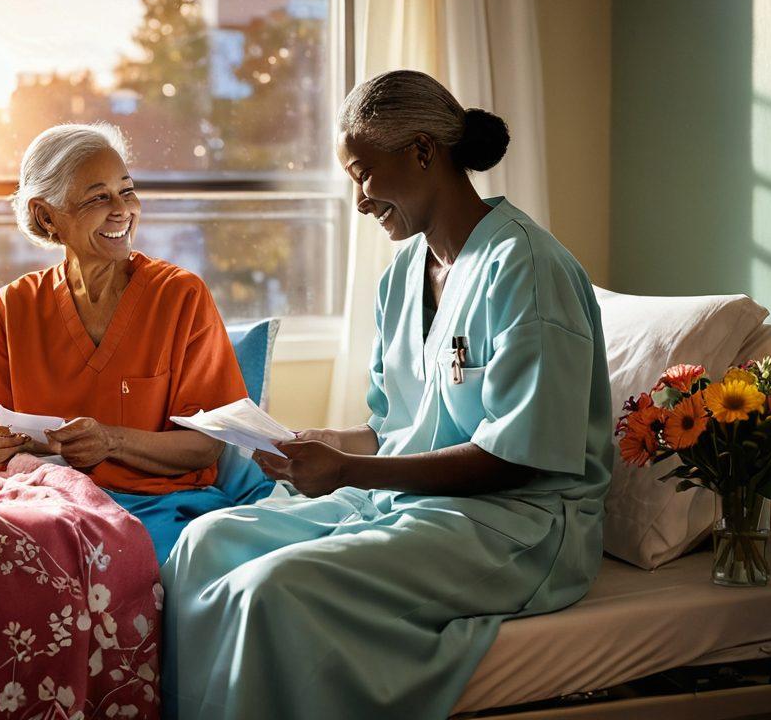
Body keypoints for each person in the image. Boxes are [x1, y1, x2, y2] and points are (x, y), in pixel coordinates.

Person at [161, 70, 613, 719]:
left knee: (272, 591)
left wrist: (350, 470)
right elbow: (392, 423)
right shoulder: (404, 273)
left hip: (517, 525)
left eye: (363, 175)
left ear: (423, 152)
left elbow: (521, 456)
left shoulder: (527, 271)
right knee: (203, 547)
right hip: (407, 498)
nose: (360, 201)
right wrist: (325, 445)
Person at [0, 122, 272, 563]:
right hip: (41, 499)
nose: (122, 210)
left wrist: (112, 443)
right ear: (47, 216)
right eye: (99, 197)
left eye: (127, 191)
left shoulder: (181, 296)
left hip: (154, 508)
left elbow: (205, 446)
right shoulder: (15, 304)